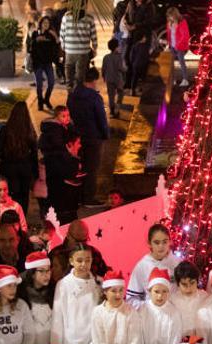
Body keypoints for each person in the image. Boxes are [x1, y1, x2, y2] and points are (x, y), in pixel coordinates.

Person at [51, 244, 102, 344]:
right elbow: (57, 319)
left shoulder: (98, 284)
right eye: (79, 260)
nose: (83, 265)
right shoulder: (63, 285)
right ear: (71, 261)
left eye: (87, 260)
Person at [67, 67, 109, 207]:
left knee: (80, 166)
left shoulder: (72, 95)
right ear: (93, 81)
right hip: (93, 136)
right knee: (91, 168)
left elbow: (69, 114)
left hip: (77, 137)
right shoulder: (94, 98)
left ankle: (78, 195)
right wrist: (105, 134)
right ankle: (88, 198)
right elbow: (101, 119)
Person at [0, 102, 39, 214]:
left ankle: (10, 219)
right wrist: (36, 173)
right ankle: (21, 218)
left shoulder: (6, 129)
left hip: (9, 167)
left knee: (10, 194)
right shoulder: (29, 131)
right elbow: (34, 153)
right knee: (24, 195)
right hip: (25, 167)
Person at [59, 3, 98, 87]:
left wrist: (63, 47)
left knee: (69, 75)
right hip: (83, 52)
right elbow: (93, 35)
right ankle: (78, 95)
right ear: (85, 5)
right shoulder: (89, 18)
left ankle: (71, 95)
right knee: (80, 77)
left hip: (69, 51)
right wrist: (95, 48)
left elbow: (62, 34)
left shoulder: (66, 17)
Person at [28, 16, 60, 111]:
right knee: (39, 85)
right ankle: (40, 102)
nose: (46, 25)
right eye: (44, 23)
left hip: (48, 63)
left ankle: (46, 99)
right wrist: (35, 40)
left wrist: (55, 35)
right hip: (37, 63)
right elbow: (30, 47)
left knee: (51, 82)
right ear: (41, 23)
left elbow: (58, 44)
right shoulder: (35, 33)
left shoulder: (50, 34)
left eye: (48, 23)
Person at [166, 7, 191, 87]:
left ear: (175, 15)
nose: (170, 17)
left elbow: (185, 35)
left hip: (180, 46)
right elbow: (169, 35)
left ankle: (185, 80)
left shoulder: (182, 22)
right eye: (169, 16)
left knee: (181, 62)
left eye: (171, 16)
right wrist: (169, 44)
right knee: (171, 64)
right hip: (172, 46)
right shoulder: (170, 22)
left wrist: (178, 45)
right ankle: (173, 80)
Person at [102, 39, 126, 118]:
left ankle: (112, 112)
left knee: (111, 95)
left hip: (109, 78)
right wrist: (126, 70)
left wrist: (104, 77)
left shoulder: (106, 57)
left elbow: (103, 68)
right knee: (121, 93)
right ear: (116, 47)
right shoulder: (119, 57)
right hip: (118, 79)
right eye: (118, 46)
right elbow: (121, 68)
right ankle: (118, 107)